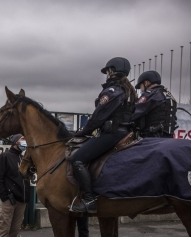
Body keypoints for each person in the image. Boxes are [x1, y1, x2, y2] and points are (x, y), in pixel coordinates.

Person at [70, 57, 137, 213]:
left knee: (77, 159)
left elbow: (97, 118)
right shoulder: (130, 91)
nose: (106, 74)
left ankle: (89, 200)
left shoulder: (112, 91)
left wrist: (81, 132)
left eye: (107, 71)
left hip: (112, 134)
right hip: (126, 133)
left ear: (112, 71)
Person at [131, 70, 177, 138]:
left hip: (151, 138)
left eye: (140, 86)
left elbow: (134, 113)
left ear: (146, 83)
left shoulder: (150, 95)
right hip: (168, 137)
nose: (141, 89)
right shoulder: (169, 96)